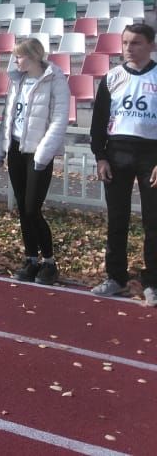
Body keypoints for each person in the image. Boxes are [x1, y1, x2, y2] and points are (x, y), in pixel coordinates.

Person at [89, 23, 157, 307]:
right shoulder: (112, 77)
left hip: (151, 155)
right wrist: (101, 156)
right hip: (117, 153)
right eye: (126, 42)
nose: (129, 48)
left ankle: (152, 281)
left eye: (136, 43)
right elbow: (98, 121)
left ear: (151, 45)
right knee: (117, 220)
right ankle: (115, 277)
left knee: (153, 222)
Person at [0, 38, 70, 285]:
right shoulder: (18, 79)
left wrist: (42, 155)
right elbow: (8, 117)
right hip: (16, 148)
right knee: (23, 211)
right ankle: (31, 258)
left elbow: (59, 120)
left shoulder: (55, 80)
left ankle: (49, 261)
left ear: (35, 56)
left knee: (31, 208)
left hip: (38, 153)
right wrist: (0, 149)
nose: (16, 61)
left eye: (19, 56)